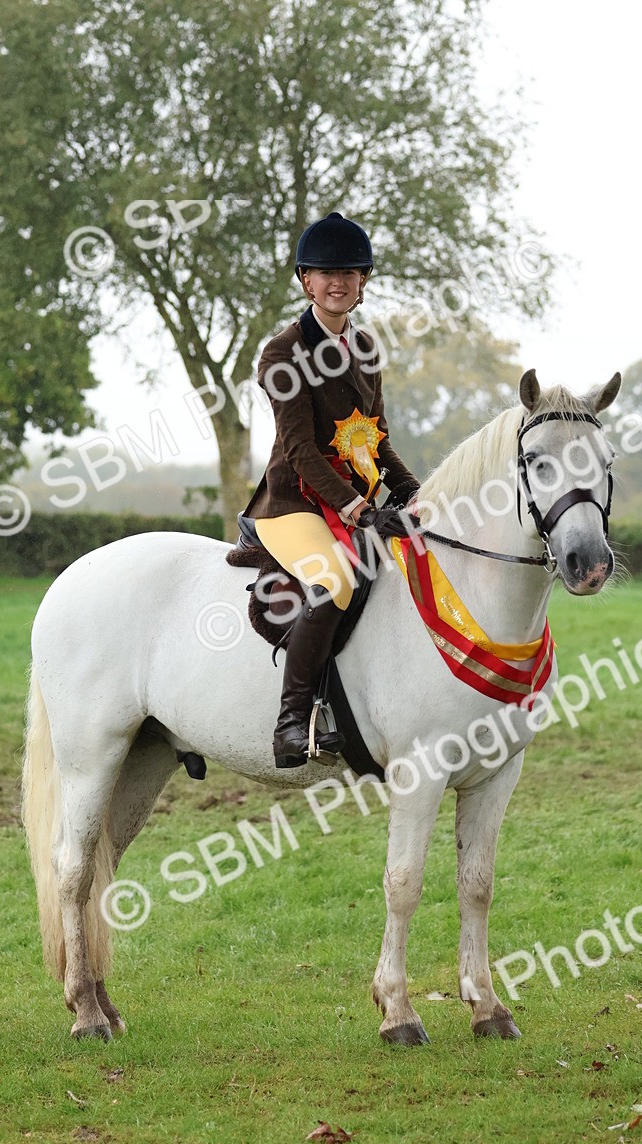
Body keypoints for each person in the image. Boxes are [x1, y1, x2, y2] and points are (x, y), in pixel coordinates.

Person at [241, 212, 420, 768]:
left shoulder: (366, 349)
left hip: (353, 503)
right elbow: (297, 449)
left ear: (363, 281)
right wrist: (360, 511)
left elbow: (375, 441)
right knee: (336, 579)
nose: (336, 281)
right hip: (293, 502)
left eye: (348, 271)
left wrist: (415, 491)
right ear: (305, 281)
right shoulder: (282, 352)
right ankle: (293, 720)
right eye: (323, 273)